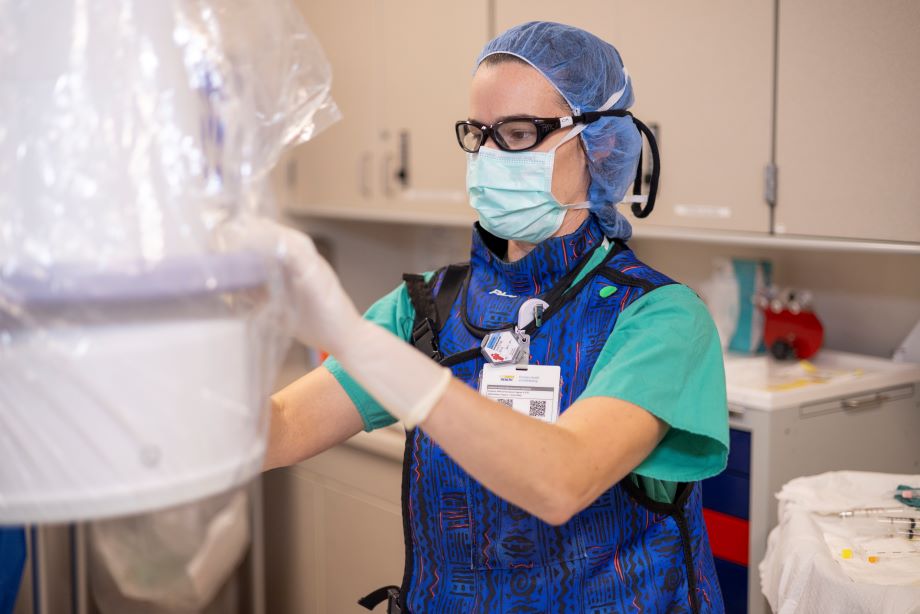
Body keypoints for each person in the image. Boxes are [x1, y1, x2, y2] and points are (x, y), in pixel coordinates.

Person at [262, 21, 729, 613]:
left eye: (517, 133)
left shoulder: (660, 319)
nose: (488, 155)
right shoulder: (428, 309)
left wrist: (362, 345)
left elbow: (562, 481)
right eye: (478, 135)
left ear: (597, 145)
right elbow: (278, 428)